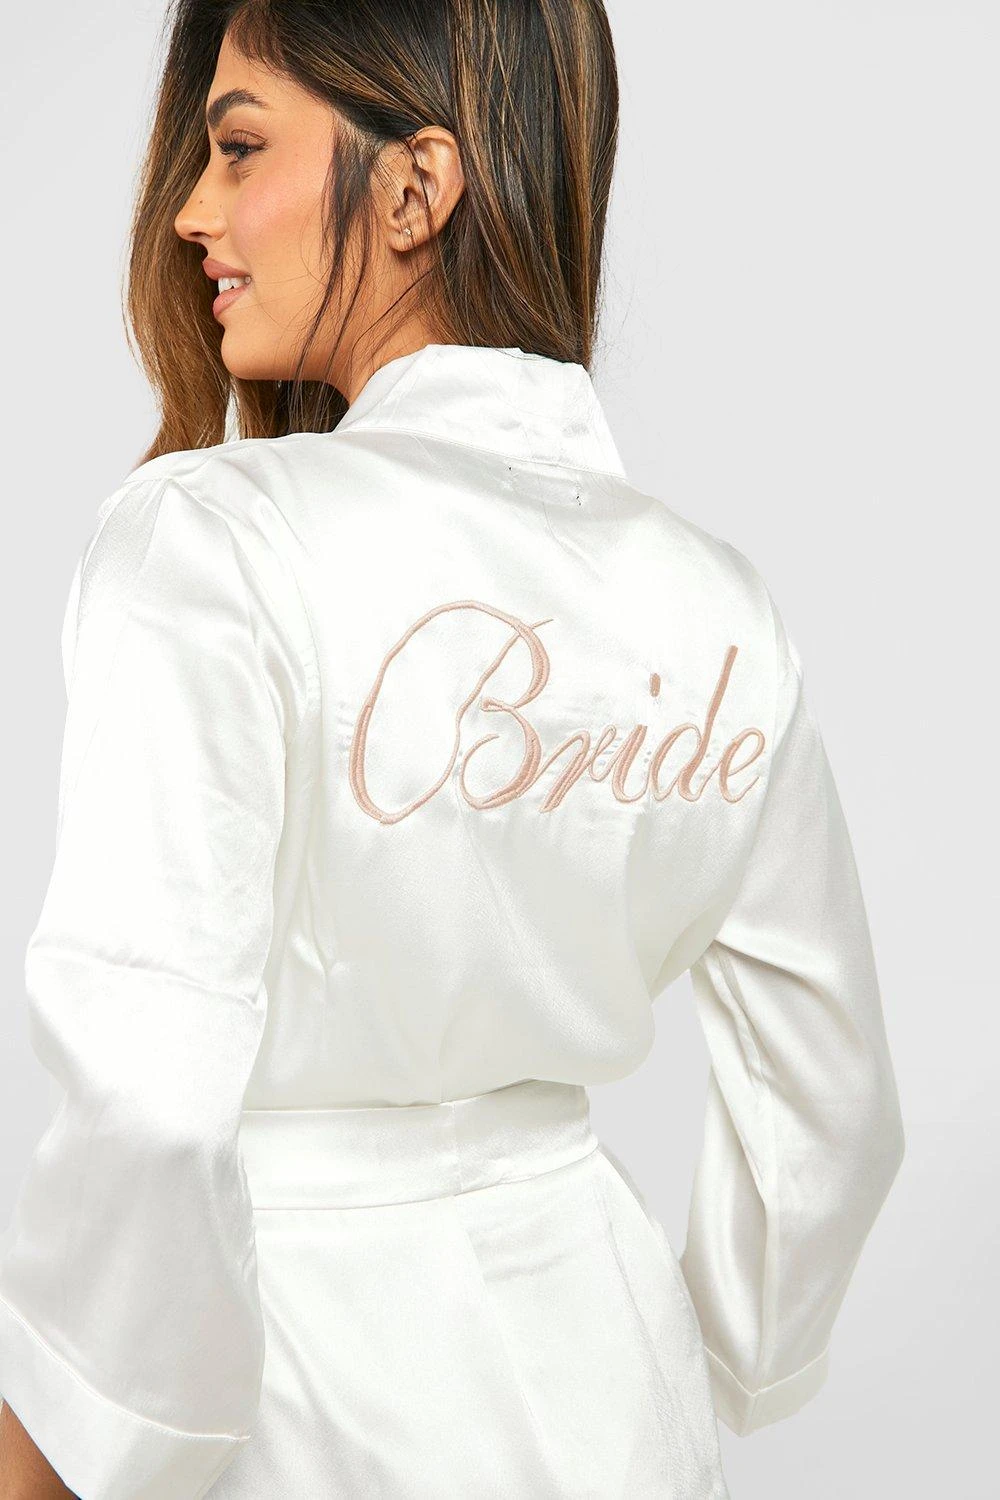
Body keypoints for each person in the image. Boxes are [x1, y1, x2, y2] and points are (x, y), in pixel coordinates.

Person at [0, 2, 905, 1497]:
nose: (190, 212)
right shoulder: (713, 603)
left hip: (292, 1400)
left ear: (417, 187)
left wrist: (73, 1455)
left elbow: (148, 1105)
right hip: (611, 1393)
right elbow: (836, 1106)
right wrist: (728, 1352)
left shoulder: (215, 544)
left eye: (238, 150)